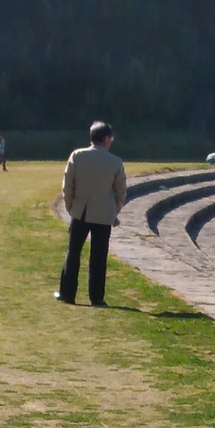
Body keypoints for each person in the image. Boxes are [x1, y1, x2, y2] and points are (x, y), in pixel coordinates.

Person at [55, 121, 127, 307]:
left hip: (81, 211)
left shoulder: (77, 156)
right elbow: (121, 193)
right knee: (99, 256)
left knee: (73, 253)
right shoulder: (116, 162)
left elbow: (67, 185)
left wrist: (71, 207)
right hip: (104, 214)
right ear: (105, 139)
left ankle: (67, 293)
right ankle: (97, 298)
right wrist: (114, 211)